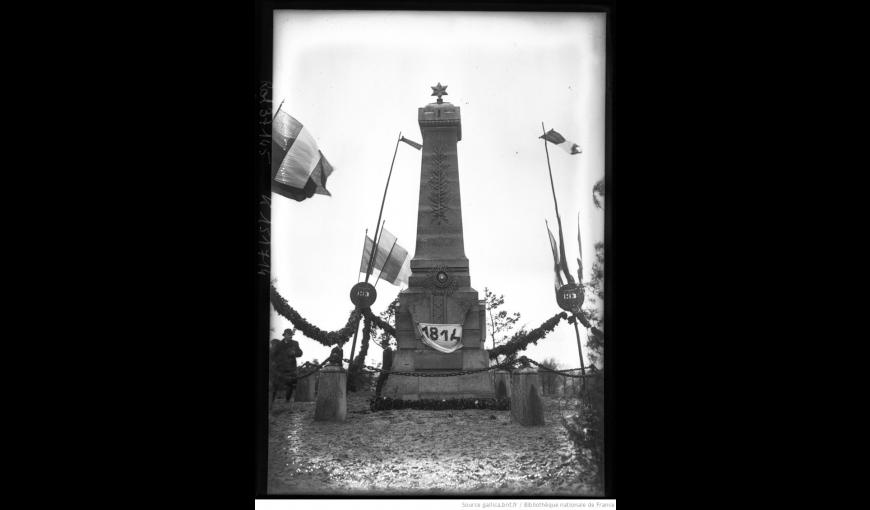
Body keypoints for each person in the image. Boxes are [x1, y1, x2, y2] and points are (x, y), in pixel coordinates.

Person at [269, 328, 303, 411]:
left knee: (290, 385)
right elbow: (273, 354)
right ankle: (271, 402)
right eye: (288, 334)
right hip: (280, 368)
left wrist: (295, 353)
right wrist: (273, 363)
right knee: (275, 384)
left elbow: (300, 353)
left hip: (291, 368)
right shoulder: (279, 344)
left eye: (291, 334)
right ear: (284, 335)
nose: (290, 336)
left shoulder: (295, 343)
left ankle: (287, 401)